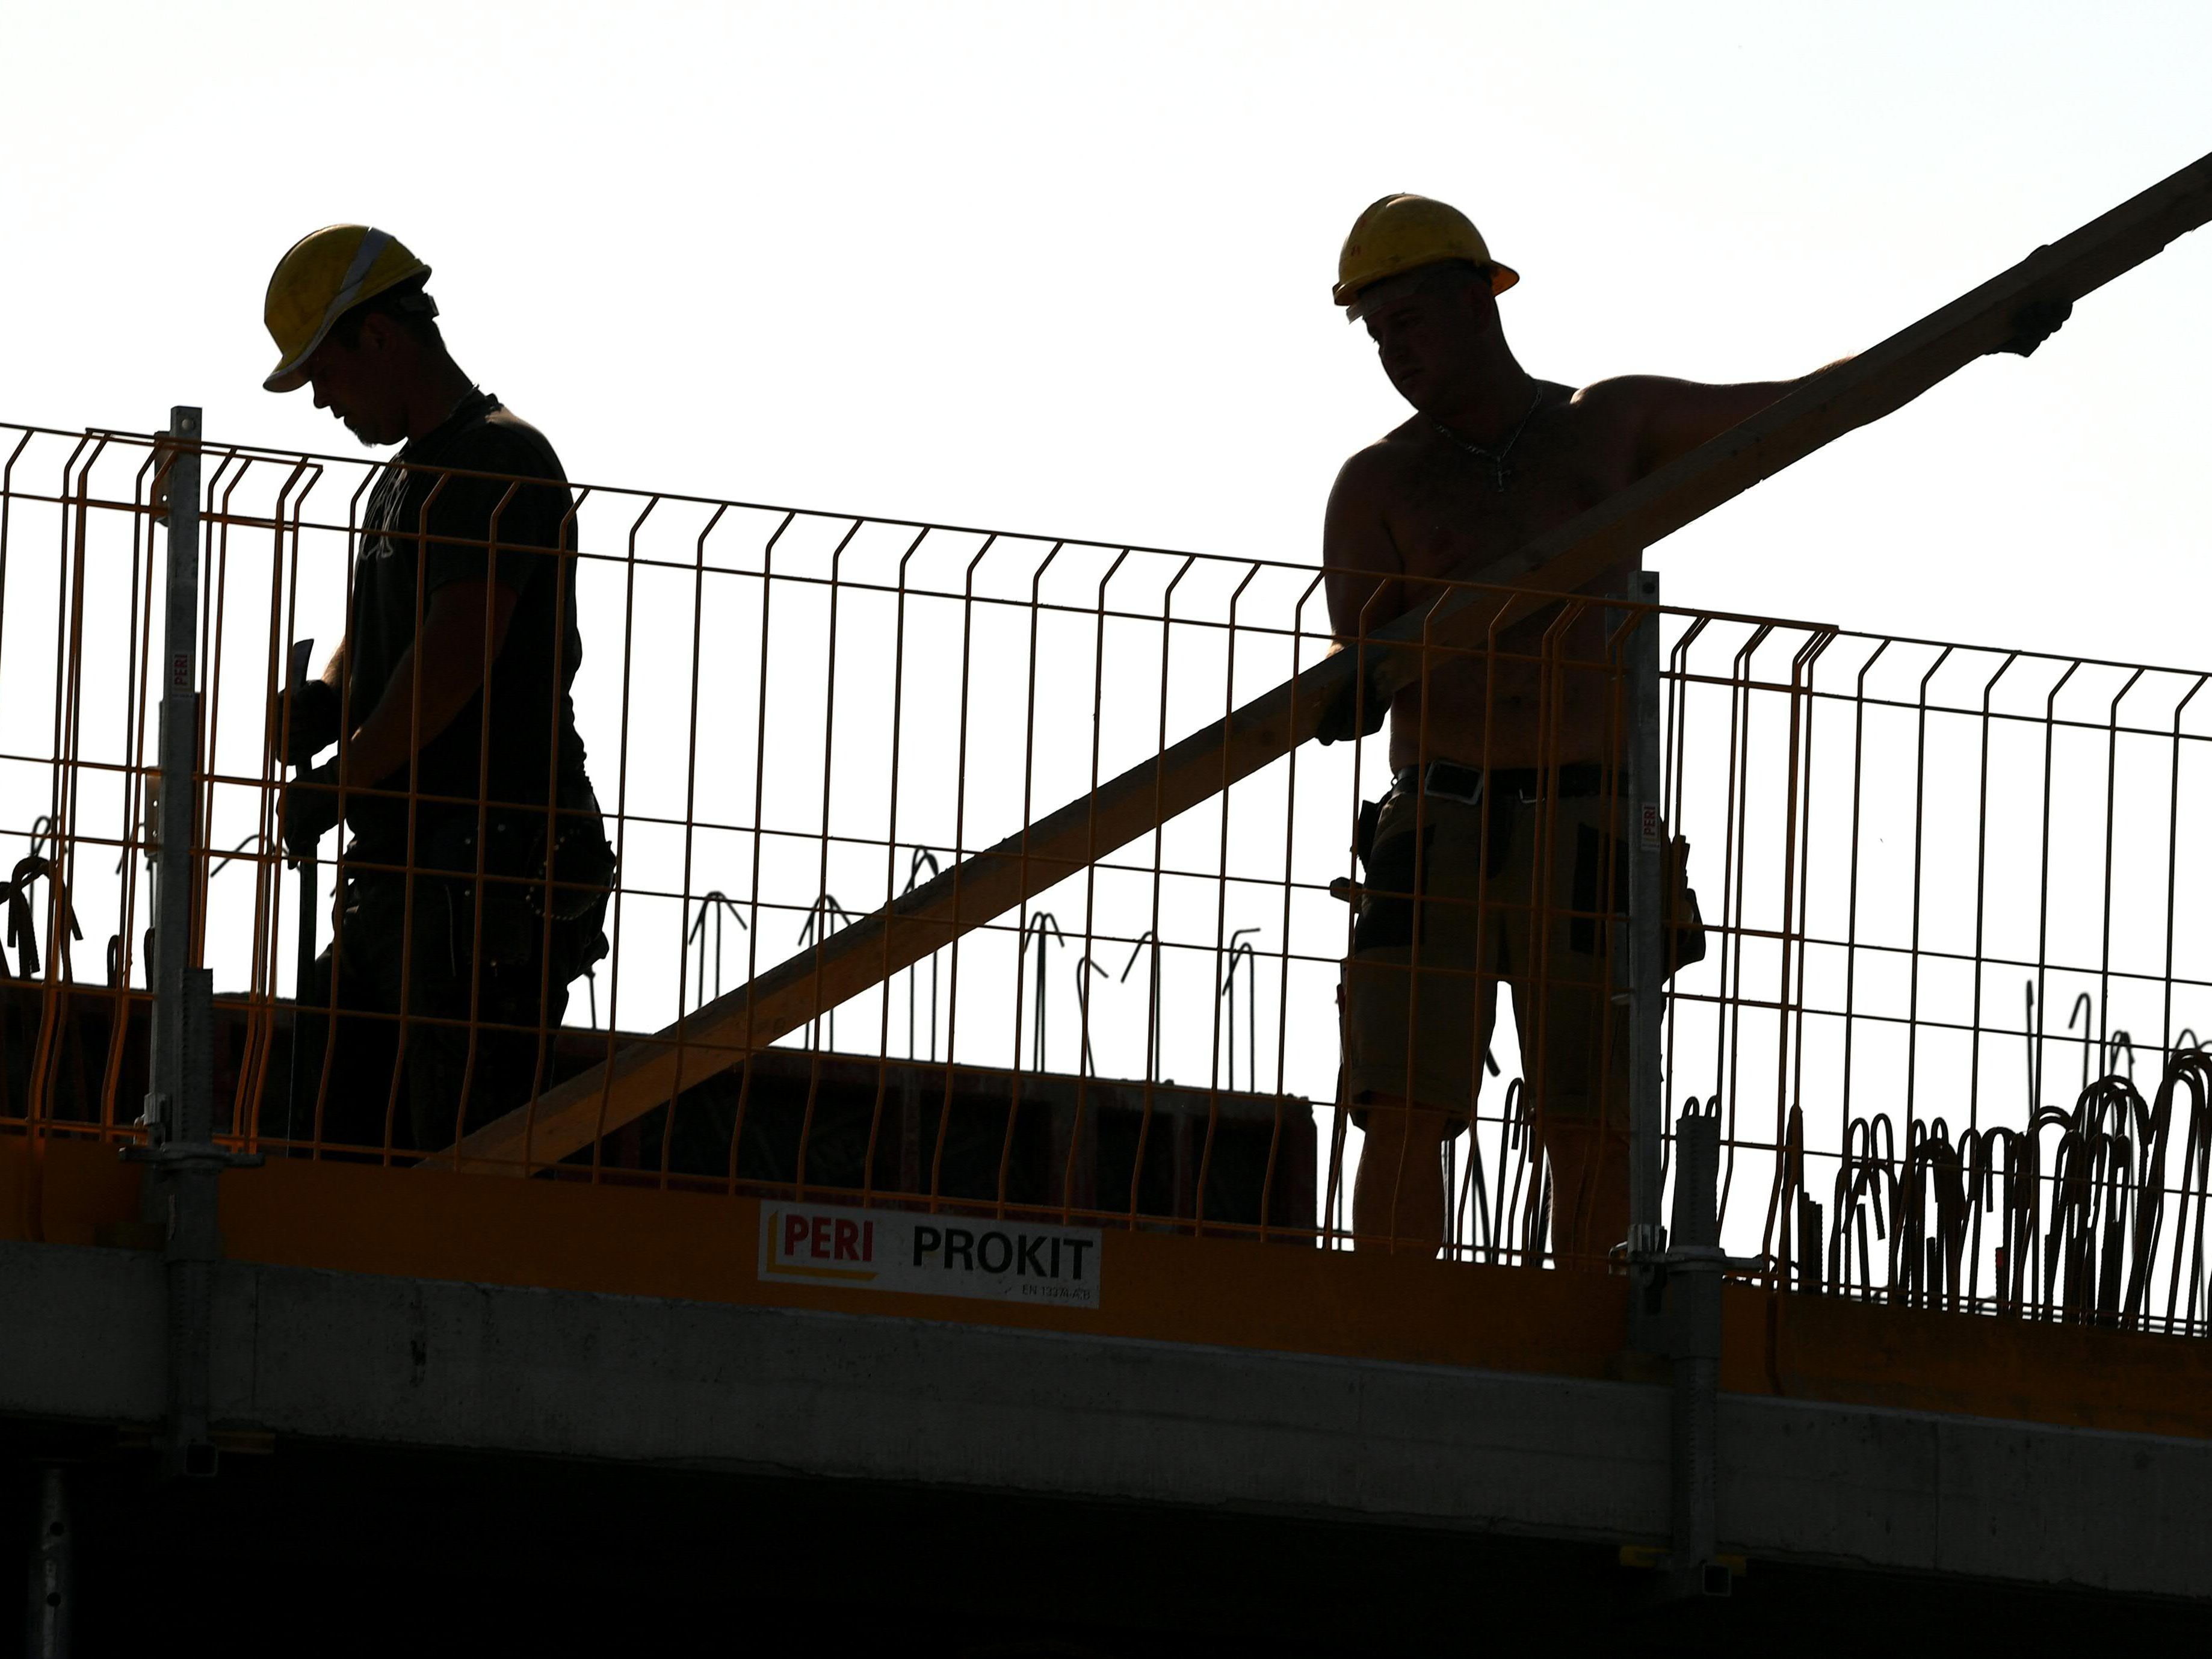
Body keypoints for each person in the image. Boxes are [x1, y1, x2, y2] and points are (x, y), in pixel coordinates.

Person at [1323, 194, 1838, 1264]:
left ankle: (1584, 1330)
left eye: (1408, 323)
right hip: (1441, 822)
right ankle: (1389, 1337)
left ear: (1478, 304)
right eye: (1376, 336)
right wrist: (1374, 673)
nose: (1393, 354)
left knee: (1593, 1113)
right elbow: (1359, 678)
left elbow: (1797, 411)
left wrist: (1981, 340)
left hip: (1588, 816)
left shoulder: (1608, 429)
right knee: (1404, 1101)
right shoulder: (1380, 483)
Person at [263, 224, 612, 1155]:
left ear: (378, 336)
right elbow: (381, 637)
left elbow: (458, 653)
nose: (322, 402)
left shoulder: (497, 462)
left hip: (482, 868)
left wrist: (343, 780)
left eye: (324, 373)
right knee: (329, 1138)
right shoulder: (406, 481)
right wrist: (331, 699)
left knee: (453, 1153)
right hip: (409, 872)